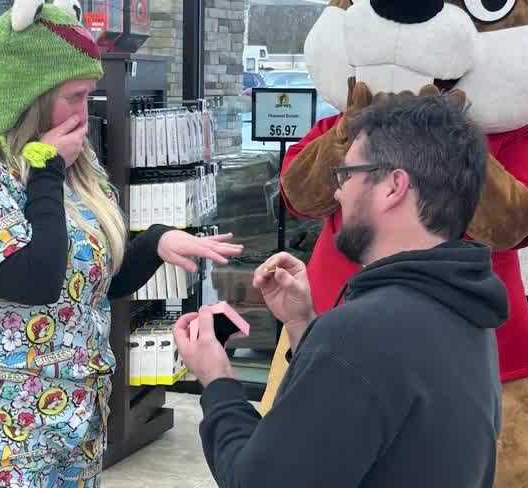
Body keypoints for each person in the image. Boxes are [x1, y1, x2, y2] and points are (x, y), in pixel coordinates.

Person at [0, 2, 242, 486]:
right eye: (75, 95)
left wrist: (155, 244)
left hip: (69, 430)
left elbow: (88, 285)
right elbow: (36, 279)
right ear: (28, 93)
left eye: (90, 94)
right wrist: (45, 169)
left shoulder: (71, 160)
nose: (85, 112)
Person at [174, 93, 508, 487]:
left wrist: (218, 381)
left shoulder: (364, 334)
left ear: (393, 186)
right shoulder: (464, 310)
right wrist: (303, 325)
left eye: (347, 174)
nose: (338, 192)